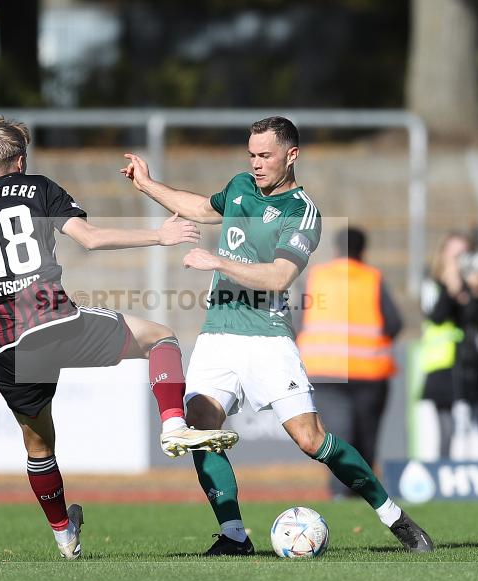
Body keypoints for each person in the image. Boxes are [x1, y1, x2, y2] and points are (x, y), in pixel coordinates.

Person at [0, 116, 239, 560]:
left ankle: (64, 536)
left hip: (11, 346)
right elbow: (90, 240)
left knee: (39, 447)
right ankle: (173, 425)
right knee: (161, 338)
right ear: (21, 159)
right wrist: (160, 234)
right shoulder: (37, 187)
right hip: (56, 323)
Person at [122, 116, 433, 555]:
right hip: (218, 335)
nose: (256, 163)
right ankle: (233, 536)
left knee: (311, 439)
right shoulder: (238, 187)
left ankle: (392, 516)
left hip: (268, 339)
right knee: (199, 426)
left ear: (292, 155)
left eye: (265, 155)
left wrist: (219, 263)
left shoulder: (301, 212)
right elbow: (198, 209)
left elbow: (279, 275)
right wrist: (147, 184)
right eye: (251, 154)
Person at [296, 226, 402, 498]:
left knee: (338, 436)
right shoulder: (372, 278)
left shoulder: (316, 277)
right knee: (367, 439)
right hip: (369, 372)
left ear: (336, 249)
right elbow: (394, 323)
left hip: (325, 372)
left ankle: (339, 492)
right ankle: (365, 494)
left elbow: (297, 322)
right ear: (363, 251)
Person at [419, 232, 478, 459]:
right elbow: (435, 316)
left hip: (470, 361)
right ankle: (442, 479)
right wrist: (450, 289)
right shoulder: (432, 283)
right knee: (447, 430)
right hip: (443, 363)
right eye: (456, 255)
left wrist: (476, 291)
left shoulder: (472, 284)